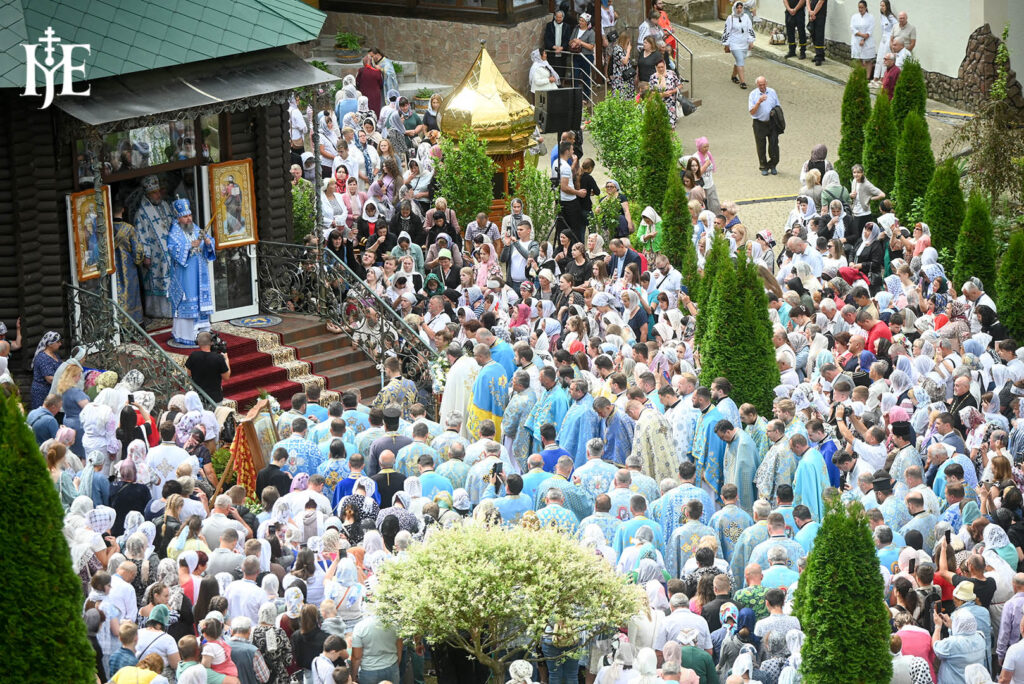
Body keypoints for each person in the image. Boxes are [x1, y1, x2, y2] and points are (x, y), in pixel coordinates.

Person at [165, 198, 216, 346]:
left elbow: (208, 243)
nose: (189, 219)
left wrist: (208, 243)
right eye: (185, 216)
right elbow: (172, 249)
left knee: (201, 299)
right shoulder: (174, 233)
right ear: (178, 217)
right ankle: (187, 334)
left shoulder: (194, 228)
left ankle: (204, 331)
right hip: (185, 274)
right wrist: (188, 246)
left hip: (200, 273)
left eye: (190, 215)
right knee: (188, 301)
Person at [134, 175, 175, 320]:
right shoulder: (141, 213)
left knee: (171, 280)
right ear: (147, 194)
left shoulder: (165, 205)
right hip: (155, 256)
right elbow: (140, 235)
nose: (158, 195)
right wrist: (146, 255)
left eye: (158, 191)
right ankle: (158, 312)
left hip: (170, 252)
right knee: (156, 283)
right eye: (154, 192)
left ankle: (172, 310)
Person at [554, 142, 587, 242]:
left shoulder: (557, 163)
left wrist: (574, 163)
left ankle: (562, 248)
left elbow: (565, 175)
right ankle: (574, 248)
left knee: (562, 229)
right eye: (572, 150)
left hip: (560, 200)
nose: (573, 152)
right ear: (567, 151)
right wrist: (578, 193)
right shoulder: (565, 167)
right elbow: (564, 187)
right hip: (569, 203)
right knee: (574, 229)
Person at [184, 332, 230, 403]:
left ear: (198, 343)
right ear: (211, 342)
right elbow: (226, 377)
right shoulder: (218, 358)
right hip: (215, 399)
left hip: (198, 398)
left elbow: (189, 373)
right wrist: (226, 360)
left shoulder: (193, 356)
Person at [748, 77, 780, 176]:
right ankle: (763, 166)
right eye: (760, 85)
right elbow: (752, 112)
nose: (762, 87)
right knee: (761, 146)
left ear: (766, 83)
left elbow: (778, 106)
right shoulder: (753, 94)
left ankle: (773, 165)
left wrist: (774, 113)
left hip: (771, 123)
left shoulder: (772, 92)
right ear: (757, 85)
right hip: (759, 123)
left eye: (763, 84)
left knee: (774, 145)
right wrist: (758, 102)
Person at [722, 2, 755, 89]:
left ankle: (733, 76)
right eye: (737, 8)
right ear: (734, 8)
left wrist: (751, 41)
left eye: (741, 7)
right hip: (734, 44)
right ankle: (743, 82)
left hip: (744, 43)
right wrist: (726, 44)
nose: (739, 9)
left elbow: (750, 29)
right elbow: (727, 31)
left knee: (739, 61)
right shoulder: (730, 18)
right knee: (740, 60)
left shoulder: (746, 17)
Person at [850, 1, 876, 73]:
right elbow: (852, 28)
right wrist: (861, 35)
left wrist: (864, 39)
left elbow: (870, 30)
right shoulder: (854, 17)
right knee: (858, 59)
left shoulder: (870, 17)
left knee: (868, 60)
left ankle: (867, 77)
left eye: (862, 7)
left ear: (865, 7)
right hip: (856, 40)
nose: (860, 9)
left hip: (867, 40)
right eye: (859, 7)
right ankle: (860, 74)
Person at [808, 0, 828, 65]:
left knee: (819, 35)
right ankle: (820, 54)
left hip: (820, 14)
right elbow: (807, 1)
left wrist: (814, 13)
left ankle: (819, 57)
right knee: (813, 34)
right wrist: (810, 11)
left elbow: (820, 2)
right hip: (811, 14)